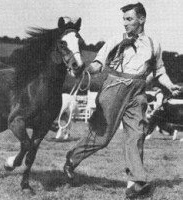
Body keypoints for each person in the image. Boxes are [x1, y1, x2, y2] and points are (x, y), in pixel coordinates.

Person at [63, 2, 181, 198]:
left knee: (137, 134)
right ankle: (72, 159)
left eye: (129, 19)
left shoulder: (153, 44)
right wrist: (86, 70)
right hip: (114, 88)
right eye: (124, 19)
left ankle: (135, 184)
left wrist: (169, 85)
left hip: (138, 92)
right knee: (102, 138)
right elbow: (99, 63)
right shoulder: (115, 40)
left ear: (141, 19)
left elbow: (160, 71)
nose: (125, 23)